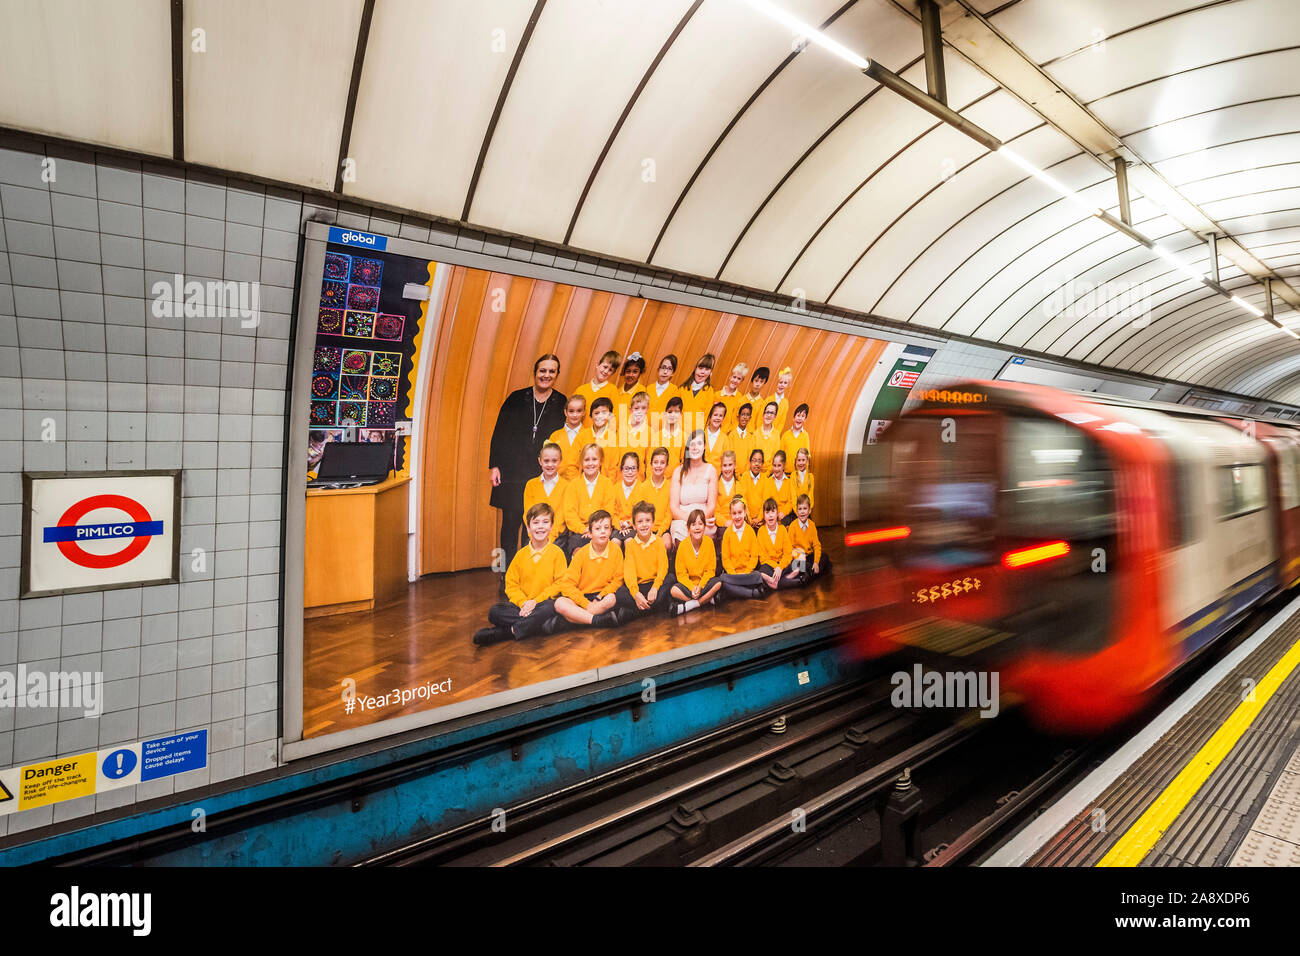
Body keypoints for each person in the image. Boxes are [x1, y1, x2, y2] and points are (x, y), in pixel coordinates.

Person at [489, 354, 568, 566]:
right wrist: (494, 466)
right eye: (543, 370)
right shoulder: (516, 398)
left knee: (534, 524)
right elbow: (499, 432)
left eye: (552, 371)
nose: (546, 375)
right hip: (512, 470)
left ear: (557, 375)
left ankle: (529, 568)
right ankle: (504, 570)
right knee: (510, 523)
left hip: (540, 473)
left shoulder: (561, 401)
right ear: (535, 372)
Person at [473, 503, 565, 645]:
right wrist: (523, 603)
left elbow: (560, 584)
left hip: (543, 604)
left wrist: (535, 601)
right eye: (535, 523)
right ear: (528, 528)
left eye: (545, 522)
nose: (540, 526)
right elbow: (511, 585)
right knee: (495, 611)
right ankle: (539, 626)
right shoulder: (520, 555)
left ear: (552, 526)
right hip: (522, 606)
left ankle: (505, 633)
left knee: (551, 607)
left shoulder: (557, 553)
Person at [552, 511, 624, 629]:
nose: (602, 531)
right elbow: (566, 585)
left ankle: (580, 618)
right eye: (597, 528)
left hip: (602, 597)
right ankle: (596, 620)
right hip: (582, 597)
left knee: (612, 598)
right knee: (560, 603)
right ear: (589, 533)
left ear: (610, 531)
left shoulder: (615, 550)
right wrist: (586, 604)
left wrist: (600, 597)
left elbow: (618, 580)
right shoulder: (582, 554)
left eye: (606, 528)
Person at [616, 501, 672, 622]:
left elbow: (663, 567)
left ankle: (635, 613)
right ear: (634, 525)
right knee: (619, 593)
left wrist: (655, 587)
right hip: (639, 587)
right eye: (640, 522)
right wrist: (636, 594)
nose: (644, 525)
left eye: (647, 520)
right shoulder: (630, 545)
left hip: (655, 585)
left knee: (671, 579)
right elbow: (629, 572)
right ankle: (655, 608)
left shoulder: (658, 541)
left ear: (653, 523)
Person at [562, 443, 616, 557]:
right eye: (587, 460)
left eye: (594, 459)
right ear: (581, 462)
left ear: (600, 461)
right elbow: (570, 514)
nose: (590, 463)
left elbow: (608, 511)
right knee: (578, 552)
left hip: (602, 531)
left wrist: (596, 529)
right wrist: (583, 529)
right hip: (580, 532)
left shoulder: (607, 484)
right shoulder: (573, 485)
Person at [670, 509, 723, 615]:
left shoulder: (709, 543)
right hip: (689, 586)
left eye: (700, 524)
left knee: (718, 583)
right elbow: (681, 574)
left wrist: (700, 586)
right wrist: (692, 587)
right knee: (673, 590)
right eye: (693, 524)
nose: (697, 527)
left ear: (705, 527)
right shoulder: (683, 546)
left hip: (704, 584)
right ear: (688, 528)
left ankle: (689, 605)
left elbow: (710, 570)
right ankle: (706, 600)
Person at [670, 429, 717, 543]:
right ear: (688, 448)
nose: (696, 448)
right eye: (692, 444)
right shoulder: (678, 471)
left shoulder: (711, 470)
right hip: (682, 519)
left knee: (704, 531)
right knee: (679, 530)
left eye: (699, 444)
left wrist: (698, 521)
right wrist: (691, 521)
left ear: (705, 446)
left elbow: (711, 506)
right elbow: (674, 507)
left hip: (703, 518)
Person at [720, 495, 766, 600]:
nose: (737, 516)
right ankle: (752, 593)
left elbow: (754, 556)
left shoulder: (750, 531)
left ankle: (736, 590)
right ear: (730, 515)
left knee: (758, 575)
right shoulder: (727, 533)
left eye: (740, 512)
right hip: (733, 574)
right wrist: (734, 573)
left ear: (745, 513)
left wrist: (746, 572)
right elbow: (726, 559)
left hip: (748, 573)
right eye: (734, 513)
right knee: (722, 579)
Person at [523, 442, 568, 545]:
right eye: (546, 461)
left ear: (560, 461)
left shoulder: (566, 486)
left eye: (554, 461)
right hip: (534, 535)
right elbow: (527, 513)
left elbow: (562, 516)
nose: (550, 465)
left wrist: (549, 538)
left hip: (557, 537)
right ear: (540, 461)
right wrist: (534, 536)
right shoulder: (531, 485)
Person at [756, 497, 798, 590]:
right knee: (761, 572)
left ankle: (775, 582)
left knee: (798, 564)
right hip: (769, 566)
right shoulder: (761, 531)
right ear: (763, 515)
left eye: (773, 512)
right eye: (767, 513)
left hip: (782, 564)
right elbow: (763, 558)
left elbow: (788, 553)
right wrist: (776, 567)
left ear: (777, 513)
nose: (770, 515)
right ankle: (786, 581)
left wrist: (780, 567)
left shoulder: (782, 529)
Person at [548, 394, 593, 481]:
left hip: (578, 484)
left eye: (579, 411)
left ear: (584, 412)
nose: (575, 415)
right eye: (571, 411)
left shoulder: (589, 435)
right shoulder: (555, 436)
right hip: (556, 482)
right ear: (565, 412)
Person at [573, 350, 621, 426]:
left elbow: (615, 417)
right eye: (605, 367)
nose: (605, 371)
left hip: (600, 435)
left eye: (610, 370)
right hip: (580, 434)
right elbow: (572, 413)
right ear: (598, 365)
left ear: (613, 373)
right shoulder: (581, 390)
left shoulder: (612, 390)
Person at [788, 494, 828, 584]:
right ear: (796, 511)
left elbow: (817, 545)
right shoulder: (793, 526)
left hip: (809, 555)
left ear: (809, 510)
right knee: (798, 564)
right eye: (800, 509)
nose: (802, 512)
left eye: (805, 509)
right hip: (798, 557)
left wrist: (816, 562)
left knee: (824, 557)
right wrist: (800, 556)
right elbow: (790, 548)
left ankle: (808, 574)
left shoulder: (812, 525)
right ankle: (810, 573)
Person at [639, 446, 674, 551]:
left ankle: (663, 567)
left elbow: (669, 514)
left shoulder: (670, 487)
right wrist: (648, 532)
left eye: (662, 463)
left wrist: (659, 532)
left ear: (667, 466)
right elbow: (641, 513)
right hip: (646, 528)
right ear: (650, 465)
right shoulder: (643, 487)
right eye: (655, 462)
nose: (658, 466)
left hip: (662, 529)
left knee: (666, 543)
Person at [614, 390, 652, 481]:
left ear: (647, 410)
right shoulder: (621, 429)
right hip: (620, 478)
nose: (639, 412)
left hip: (639, 479)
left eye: (643, 408)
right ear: (630, 409)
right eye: (636, 408)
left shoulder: (650, 432)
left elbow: (649, 460)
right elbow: (615, 457)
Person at [612, 451, 644, 542]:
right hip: (617, 527)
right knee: (615, 541)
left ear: (638, 470)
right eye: (626, 468)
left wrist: (629, 523)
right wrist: (619, 524)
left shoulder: (642, 488)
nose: (630, 472)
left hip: (635, 526)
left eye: (633, 468)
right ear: (621, 470)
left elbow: (641, 512)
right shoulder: (615, 488)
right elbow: (612, 512)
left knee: (629, 540)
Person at [679, 353, 716, 431]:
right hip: (678, 433)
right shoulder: (682, 388)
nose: (702, 372)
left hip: (695, 435)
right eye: (700, 368)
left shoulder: (710, 391)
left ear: (710, 373)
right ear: (695, 369)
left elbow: (706, 417)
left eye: (707, 369)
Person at [714, 449, 739, 554]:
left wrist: (735, 521)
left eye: (730, 465)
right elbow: (715, 510)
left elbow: (743, 506)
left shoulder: (740, 485)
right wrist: (725, 522)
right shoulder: (716, 485)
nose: (727, 468)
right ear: (721, 467)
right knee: (724, 534)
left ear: (734, 466)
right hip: (722, 524)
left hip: (738, 521)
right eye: (724, 465)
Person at [589, 396, 619, 480]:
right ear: (591, 416)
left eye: (604, 413)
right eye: (596, 413)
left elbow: (613, 467)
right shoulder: (582, 435)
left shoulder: (614, 438)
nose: (600, 416)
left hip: (606, 484)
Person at [762, 449, 795, 524]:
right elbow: (765, 501)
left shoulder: (789, 482)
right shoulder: (768, 481)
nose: (776, 469)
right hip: (771, 515)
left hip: (785, 516)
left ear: (784, 465)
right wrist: (773, 514)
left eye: (779, 465)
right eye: (774, 465)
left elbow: (790, 502)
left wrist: (783, 512)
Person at [716, 362, 748, 432]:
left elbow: (737, 420)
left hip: (728, 435)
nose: (735, 380)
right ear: (730, 377)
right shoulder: (717, 395)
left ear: (742, 381)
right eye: (734, 377)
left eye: (739, 379)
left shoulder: (741, 399)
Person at [613, 352, 646, 419]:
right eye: (628, 371)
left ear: (640, 373)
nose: (631, 375)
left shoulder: (642, 392)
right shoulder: (617, 391)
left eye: (635, 372)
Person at [753, 401, 782, 476]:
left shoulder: (776, 435)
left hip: (770, 474)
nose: (769, 415)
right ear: (763, 414)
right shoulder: (756, 433)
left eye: (772, 413)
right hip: (755, 472)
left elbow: (775, 458)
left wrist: (767, 473)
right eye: (767, 412)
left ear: (775, 416)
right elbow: (752, 456)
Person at [781, 403, 813, 470]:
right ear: (793, 418)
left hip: (799, 474)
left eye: (803, 416)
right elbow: (780, 456)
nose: (800, 418)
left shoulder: (805, 436)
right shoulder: (785, 435)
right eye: (798, 415)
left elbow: (807, 457)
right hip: (786, 474)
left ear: (805, 420)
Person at [741, 448, 767, 527]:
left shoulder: (765, 479)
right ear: (750, 462)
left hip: (761, 521)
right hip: (746, 520)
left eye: (759, 461)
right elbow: (743, 499)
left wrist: (759, 519)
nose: (756, 464)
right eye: (754, 460)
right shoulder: (745, 477)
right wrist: (749, 519)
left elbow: (765, 501)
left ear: (762, 464)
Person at [657, 396, 687, 465]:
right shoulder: (656, 436)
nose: (672, 415)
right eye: (670, 412)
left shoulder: (684, 437)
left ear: (681, 414)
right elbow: (650, 460)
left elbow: (684, 462)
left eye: (676, 412)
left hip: (676, 475)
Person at [702, 401, 731, 471]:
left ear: (723, 418)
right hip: (699, 477)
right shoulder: (701, 435)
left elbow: (727, 462)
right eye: (715, 415)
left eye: (720, 416)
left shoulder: (725, 439)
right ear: (710, 416)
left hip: (716, 477)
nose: (718, 418)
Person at [730, 401, 755, 471]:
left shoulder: (750, 437)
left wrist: (745, 474)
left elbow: (750, 458)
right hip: (733, 473)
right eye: (743, 414)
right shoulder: (732, 435)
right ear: (738, 417)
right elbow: (731, 457)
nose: (745, 417)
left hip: (745, 476)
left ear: (750, 418)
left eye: (747, 415)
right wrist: (737, 473)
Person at [791, 446, 815, 521]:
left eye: (803, 460)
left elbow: (811, 495)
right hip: (796, 512)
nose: (801, 463)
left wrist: (807, 510)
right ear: (796, 461)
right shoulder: (793, 476)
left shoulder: (810, 477)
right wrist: (797, 511)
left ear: (807, 461)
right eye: (799, 460)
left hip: (807, 511)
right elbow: (793, 495)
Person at [769, 367, 794, 432]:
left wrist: (776, 434)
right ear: (777, 383)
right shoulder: (769, 399)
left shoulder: (785, 403)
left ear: (788, 385)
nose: (782, 385)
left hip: (774, 435)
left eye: (785, 383)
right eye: (780, 382)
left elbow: (781, 422)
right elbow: (761, 417)